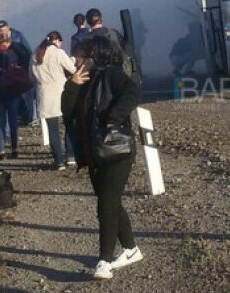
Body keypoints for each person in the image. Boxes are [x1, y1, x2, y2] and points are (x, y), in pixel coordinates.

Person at [61, 35, 143, 280]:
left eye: (79, 55)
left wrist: (113, 118)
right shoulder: (82, 80)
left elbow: (132, 91)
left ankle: (104, 261)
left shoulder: (110, 74)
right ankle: (131, 249)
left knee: (105, 204)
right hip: (93, 154)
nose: (75, 60)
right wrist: (72, 85)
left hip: (115, 151)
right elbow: (67, 111)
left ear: (93, 56)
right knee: (111, 202)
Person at [32, 31, 76, 169]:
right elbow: (73, 69)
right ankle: (70, 155)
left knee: (53, 130)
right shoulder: (58, 52)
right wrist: (73, 60)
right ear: (57, 41)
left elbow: (31, 76)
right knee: (69, 125)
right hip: (62, 93)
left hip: (44, 95)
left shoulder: (35, 55)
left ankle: (59, 161)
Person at [0, 34, 31, 159]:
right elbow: (26, 55)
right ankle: (15, 149)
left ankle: (1, 151)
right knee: (13, 122)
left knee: (1, 123)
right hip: (12, 92)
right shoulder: (12, 54)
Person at [0, 19, 37, 125]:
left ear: (8, 27)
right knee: (15, 92)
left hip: (22, 67)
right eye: (0, 30)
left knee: (27, 92)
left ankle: (31, 116)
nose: (2, 32)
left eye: (3, 29)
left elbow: (27, 51)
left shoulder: (18, 35)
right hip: (10, 69)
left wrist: (24, 66)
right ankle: (21, 116)